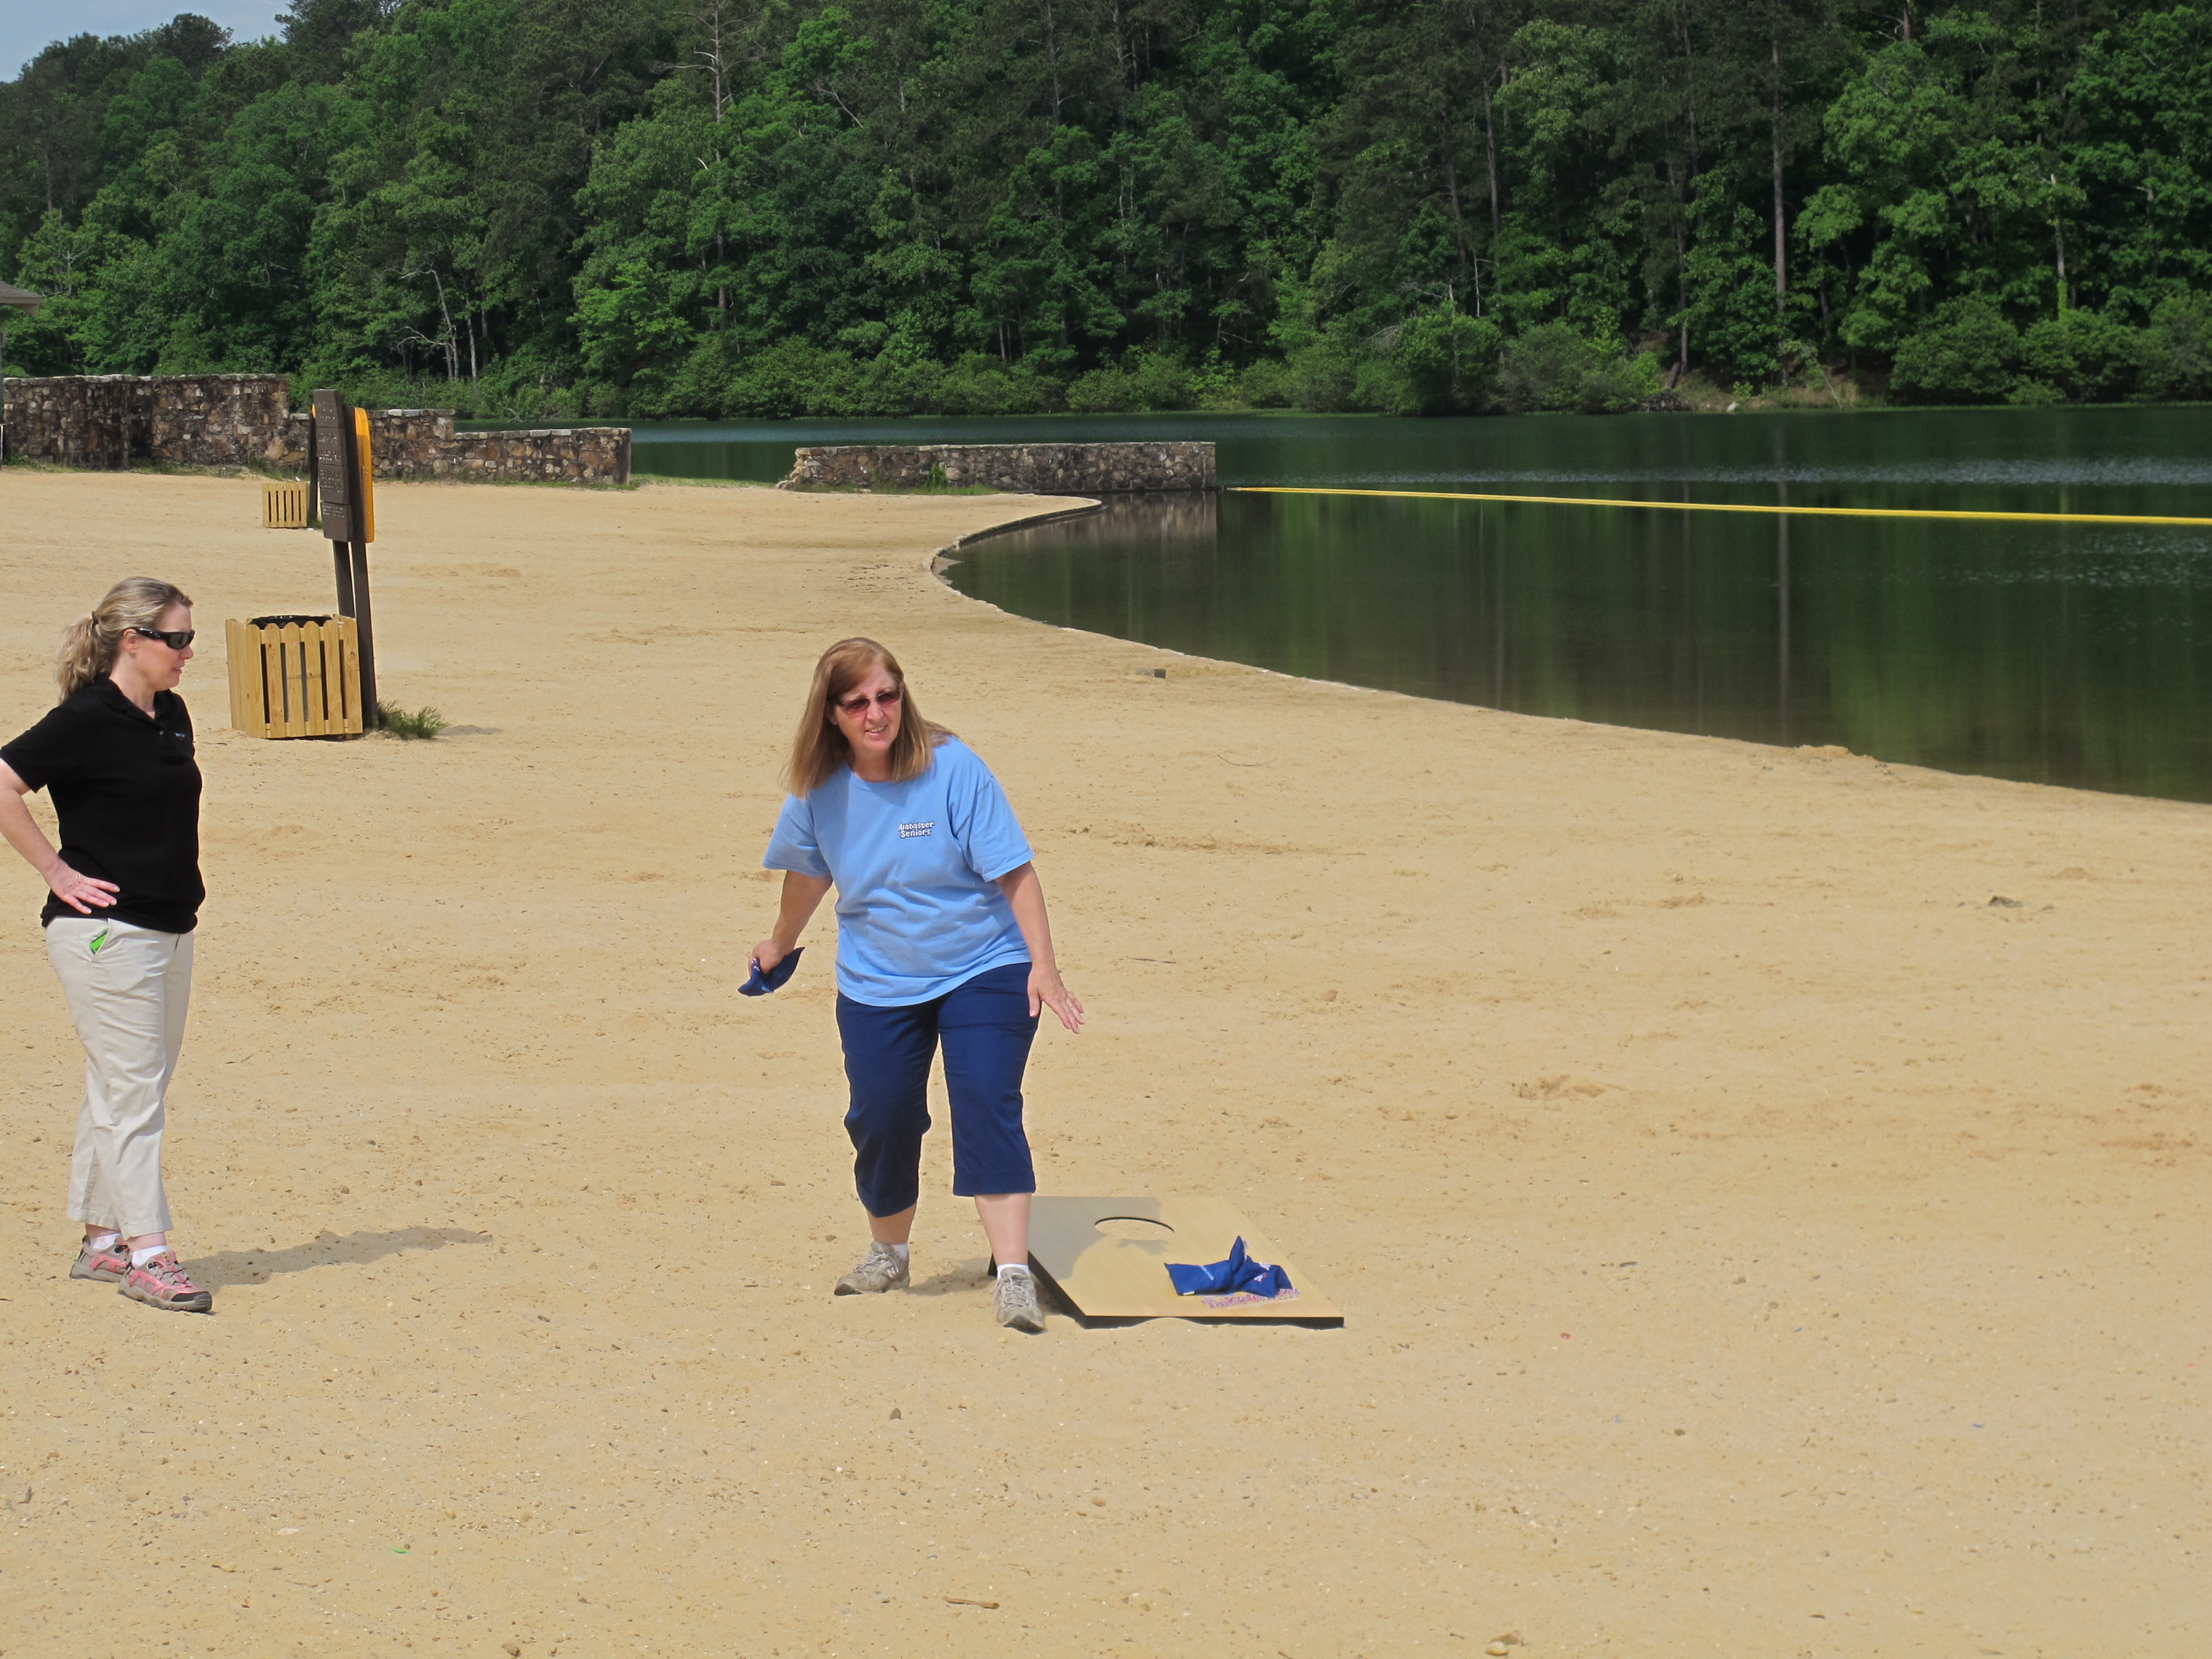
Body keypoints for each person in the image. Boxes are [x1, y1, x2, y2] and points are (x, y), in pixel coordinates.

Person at [750, 637, 1084, 1334]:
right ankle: (890, 1252)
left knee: (987, 1101)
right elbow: (809, 873)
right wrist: (779, 944)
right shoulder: (819, 790)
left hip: (984, 966)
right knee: (882, 1116)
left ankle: (1014, 1276)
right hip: (878, 977)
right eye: (859, 702)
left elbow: (1015, 872)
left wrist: (1044, 966)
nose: (878, 713)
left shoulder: (953, 769)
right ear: (833, 715)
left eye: (888, 695)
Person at [0, 578, 213, 1314]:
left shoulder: (171, 714)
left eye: (190, 637)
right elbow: (1, 782)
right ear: (133, 641)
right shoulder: (85, 719)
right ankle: (149, 1253)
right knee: (131, 1095)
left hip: (170, 927)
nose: (190, 652)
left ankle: (102, 1242)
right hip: (104, 936)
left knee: (130, 1087)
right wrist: (57, 869)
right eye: (177, 639)